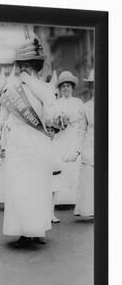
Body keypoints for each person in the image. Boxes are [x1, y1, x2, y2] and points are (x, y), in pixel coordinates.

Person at [1, 37, 60, 247]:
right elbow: (5, 117)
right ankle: (23, 232)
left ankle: (37, 229)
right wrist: (5, 130)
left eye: (28, 66)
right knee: (20, 187)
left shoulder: (44, 89)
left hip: (37, 142)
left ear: (35, 67)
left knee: (38, 187)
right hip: (18, 142)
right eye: (22, 66)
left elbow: (51, 112)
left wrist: (52, 117)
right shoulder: (12, 89)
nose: (24, 70)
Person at [53, 71, 86, 205]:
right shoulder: (56, 104)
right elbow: (51, 121)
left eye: (68, 86)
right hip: (60, 137)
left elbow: (81, 124)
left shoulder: (78, 103)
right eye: (63, 86)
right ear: (60, 89)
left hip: (73, 137)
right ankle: (60, 199)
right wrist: (58, 121)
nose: (66, 88)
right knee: (61, 166)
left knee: (73, 168)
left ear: (72, 88)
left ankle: (73, 199)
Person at [72, 69, 94, 217]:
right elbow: (81, 131)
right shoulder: (85, 107)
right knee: (89, 178)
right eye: (92, 85)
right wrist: (77, 150)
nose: (95, 88)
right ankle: (90, 208)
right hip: (91, 145)